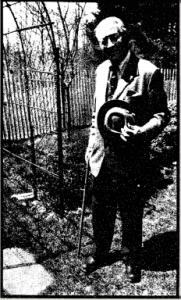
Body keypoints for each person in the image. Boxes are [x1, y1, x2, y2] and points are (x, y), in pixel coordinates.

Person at [83, 17, 170, 283]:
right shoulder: (100, 71)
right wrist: (90, 146)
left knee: (131, 209)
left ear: (125, 36)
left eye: (113, 37)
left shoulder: (147, 71)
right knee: (101, 208)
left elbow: (161, 114)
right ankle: (101, 251)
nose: (109, 45)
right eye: (102, 41)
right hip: (101, 156)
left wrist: (144, 131)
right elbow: (98, 114)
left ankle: (132, 258)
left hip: (131, 157)